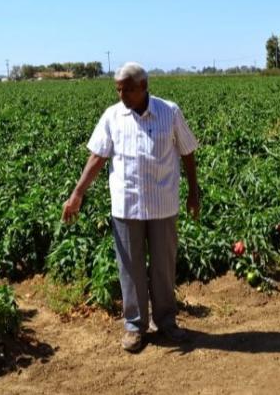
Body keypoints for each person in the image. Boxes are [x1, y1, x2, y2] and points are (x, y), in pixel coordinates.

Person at [62, 62, 200, 352]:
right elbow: (97, 157)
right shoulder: (112, 116)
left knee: (163, 266)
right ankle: (135, 326)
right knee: (130, 268)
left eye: (126, 90)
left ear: (143, 87)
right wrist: (77, 194)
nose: (121, 95)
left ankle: (166, 321)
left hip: (163, 205)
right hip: (126, 206)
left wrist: (193, 192)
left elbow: (187, 152)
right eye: (118, 90)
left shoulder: (169, 112)